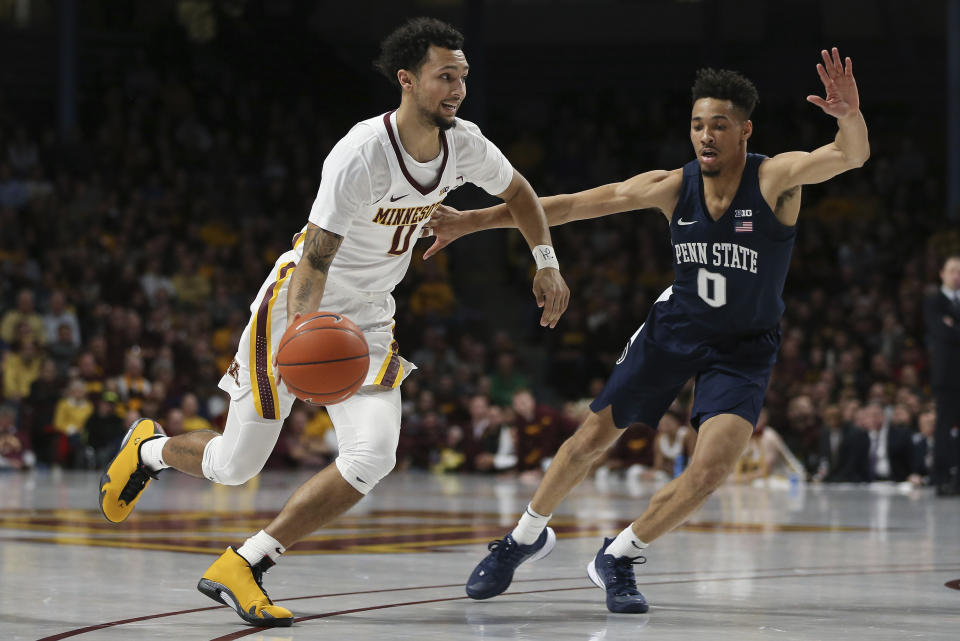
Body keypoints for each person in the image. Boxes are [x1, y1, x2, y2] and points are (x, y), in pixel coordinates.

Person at [97, 17, 569, 628]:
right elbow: (315, 259)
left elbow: (521, 194)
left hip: (370, 317)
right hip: (300, 304)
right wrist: (301, 332)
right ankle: (152, 449)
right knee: (236, 467)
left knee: (374, 454)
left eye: (463, 76)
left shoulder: (467, 144)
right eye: (443, 76)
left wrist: (546, 263)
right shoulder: (361, 154)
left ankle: (247, 562)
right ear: (407, 80)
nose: (457, 88)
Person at [426, 48, 869, 613]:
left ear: (744, 131)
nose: (705, 136)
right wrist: (473, 221)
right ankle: (523, 538)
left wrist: (849, 117)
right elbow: (574, 205)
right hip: (675, 329)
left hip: (744, 347)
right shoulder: (671, 185)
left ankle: (619, 554)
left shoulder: (775, 177)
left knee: (710, 472)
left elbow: (848, 156)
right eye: (697, 125)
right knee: (589, 441)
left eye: (719, 126)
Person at [923, 255, 960, 496]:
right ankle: (941, 476)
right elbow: (942, 334)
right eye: (952, 270)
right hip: (946, 376)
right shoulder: (933, 301)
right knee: (944, 427)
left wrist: (953, 324)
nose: (956, 275)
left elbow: (950, 332)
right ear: (942, 274)